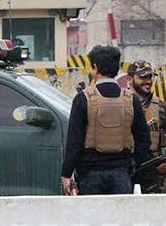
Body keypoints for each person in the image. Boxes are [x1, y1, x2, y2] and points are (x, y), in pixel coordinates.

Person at [61, 46, 151, 195]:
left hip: (89, 174)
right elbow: (144, 140)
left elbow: (74, 142)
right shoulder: (131, 100)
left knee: (93, 217)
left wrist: (66, 173)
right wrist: (132, 165)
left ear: (95, 68)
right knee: (119, 217)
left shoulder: (83, 99)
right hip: (122, 173)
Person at [126, 60, 166, 193]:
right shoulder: (122, 103)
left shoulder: (160, 107)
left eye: (150, 77)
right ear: (130, 79)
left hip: (154, 172)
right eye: (142, 77)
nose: (148, 81)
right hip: (127, 167)